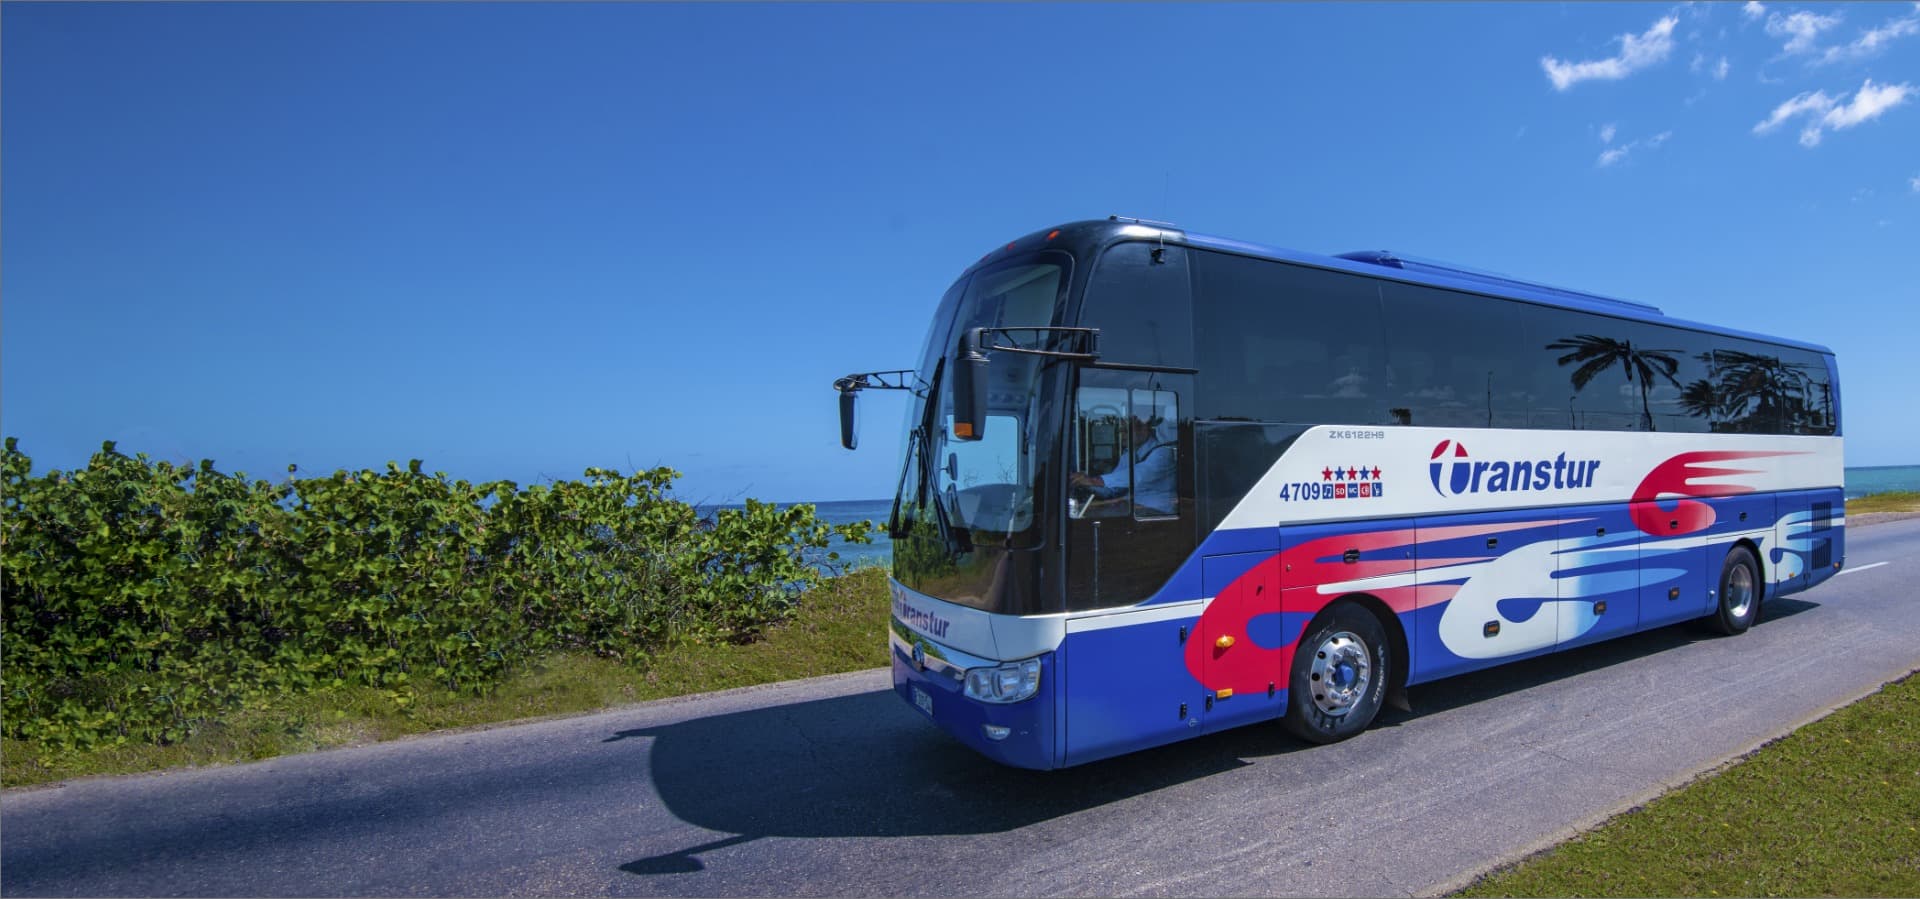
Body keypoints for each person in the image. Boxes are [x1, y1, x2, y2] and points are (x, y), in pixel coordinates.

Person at [1071, 413, 1176, 516]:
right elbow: (1114, 489)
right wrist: (1085, 484)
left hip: (1158, 512)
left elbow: (1139, 475)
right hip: (1133, 507)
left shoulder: (1162, 452)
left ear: (1143, 430)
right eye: (1120, 431)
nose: (1122, 435)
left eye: (1126, 431)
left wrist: (1095, 481)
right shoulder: (1128, 455)